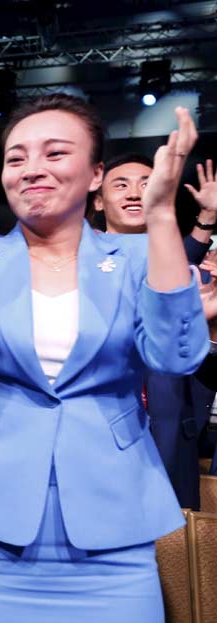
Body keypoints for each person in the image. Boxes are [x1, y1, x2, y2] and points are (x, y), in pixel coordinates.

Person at [0, 92, 208, 623]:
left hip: (113, 534)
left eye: (55, 153)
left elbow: (176, 355)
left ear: (94, 175)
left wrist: (160, 216)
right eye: (16, 158)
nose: (32, 169)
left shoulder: (137, 255)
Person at [94, 153, 217, 509]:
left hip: (171, 444)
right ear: (98, 199)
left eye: (147, 185)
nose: (135, 193)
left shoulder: (195, 278)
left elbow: (208, 372)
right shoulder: (74, 265)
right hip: (94, 445)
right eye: (122, 184)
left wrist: (206, 332)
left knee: (170, 560)